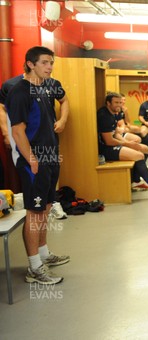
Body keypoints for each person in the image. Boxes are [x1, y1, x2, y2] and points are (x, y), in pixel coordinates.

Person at [5, 46, 72, 285]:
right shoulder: (19, 92)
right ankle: (34, 268)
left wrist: (62, 120)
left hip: (51, 157)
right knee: (34, 213)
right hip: (33, 161)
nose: (49, 67)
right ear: (30, 64)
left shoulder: (47, 85)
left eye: (51, 62)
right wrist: (33, 160)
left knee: (44, 208)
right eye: (44, 62)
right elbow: (17, 131)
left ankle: (44, 254)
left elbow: (62, 103)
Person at [98, 92, 148, 199]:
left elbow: (115, 133)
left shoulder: (114, 113)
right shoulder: (104, 115)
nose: (119, 105)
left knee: (145, 149)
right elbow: (109, 141)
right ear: (108, 103)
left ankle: (135, 181)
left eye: (120, 102)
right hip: (105, 149)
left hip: (113, 142)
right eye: (116, 102)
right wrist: (127, 143)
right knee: (139, 155)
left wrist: (126, 142)